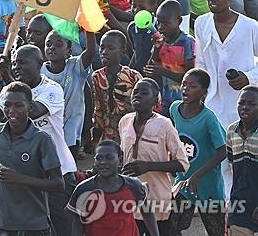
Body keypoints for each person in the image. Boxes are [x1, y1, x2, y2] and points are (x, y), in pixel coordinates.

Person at [0, 45, 77, 236]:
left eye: (23, 63)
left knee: (60, 229)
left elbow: (32, 112)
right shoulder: (11, 93)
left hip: (56, 171)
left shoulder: (52, 89)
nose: (17, 68)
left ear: (39, 64)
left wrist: (9, 79)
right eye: (15, 63)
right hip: (22, 175)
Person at [194, 0, 258, 199]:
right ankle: (225, 207)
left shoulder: (250, 26)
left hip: (244, 105)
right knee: (217, 157)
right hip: (213, 103)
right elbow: (200, 61)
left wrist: (248, 78)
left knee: (242, 159)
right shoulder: (201, 23)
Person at [0, 81, 65, 235]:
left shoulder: (42, 140)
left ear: (30, 107)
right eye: (7, 105)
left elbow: (58, 184)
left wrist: (21, 178)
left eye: (19, 105)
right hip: (5, 224)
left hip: (34, 225)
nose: (11, 111)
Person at [119, 78, 189, 235]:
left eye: (144, 93)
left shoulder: (164, 125)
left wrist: (148, 166)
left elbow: (182, 164)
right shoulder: (125, 122)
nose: (137, 95)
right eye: (135, 92)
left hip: (157, 200)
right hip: (130, 200)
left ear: (155, 99)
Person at [168, 69, 226, 235]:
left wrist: (198, 176)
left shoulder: (208, 118)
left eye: (192, 86)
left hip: (208, 186)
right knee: (170, 226)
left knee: (216, 231)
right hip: (184, 182)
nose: (185, 89)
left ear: (204, 92)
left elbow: (223, 151)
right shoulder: (174, 109)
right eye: (184, 84)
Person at [67, 140, 159, 236]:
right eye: (99, 158)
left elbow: (147, 212)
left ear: (120, 160)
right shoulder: (84, 189)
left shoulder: (134, 186)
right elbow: (77, 223)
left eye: (109, 158)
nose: (103, 162)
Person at [41, 29, 95, 161]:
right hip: (48, 130)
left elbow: (91, 51)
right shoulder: (40, 71)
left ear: (69, 52)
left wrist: (88, 30)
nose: (52, 48)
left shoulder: (76, 67)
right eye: (48, 44)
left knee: (68, 165)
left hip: (71, 131)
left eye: (59, 45)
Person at [144, 0, 195, 116]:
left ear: (179, 21)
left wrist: (164, 72)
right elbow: (149, 70)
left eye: (166, 23)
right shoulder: (161, 40)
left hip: (185, 101)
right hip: (164, 100)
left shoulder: (187, 42)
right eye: (159, 22)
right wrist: (156, 48)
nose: (161, 27)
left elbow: (191, 77)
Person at [92, 30, 142, 146]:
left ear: (122, 52)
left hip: (131, 131)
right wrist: (96, 136)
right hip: (108, 133)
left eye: (110, 48)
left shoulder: (132, 76)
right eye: (102, 47)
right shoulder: (97, 76)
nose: (104, 52)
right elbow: (98, 107)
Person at [226, 86, 258, 235]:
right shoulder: (231, 131)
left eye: (252, 104)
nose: (245, 107)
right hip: (240, 205)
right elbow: (235, 171)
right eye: (241, 103)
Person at [128, 0, 158, 75]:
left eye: (142, 7)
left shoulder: (159, 27)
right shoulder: (132, 28)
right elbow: (136, 51)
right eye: (134, 5)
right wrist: (130, 70)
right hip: (139, 73)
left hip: (154, 73)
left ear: (154, 7)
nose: (136, 10)